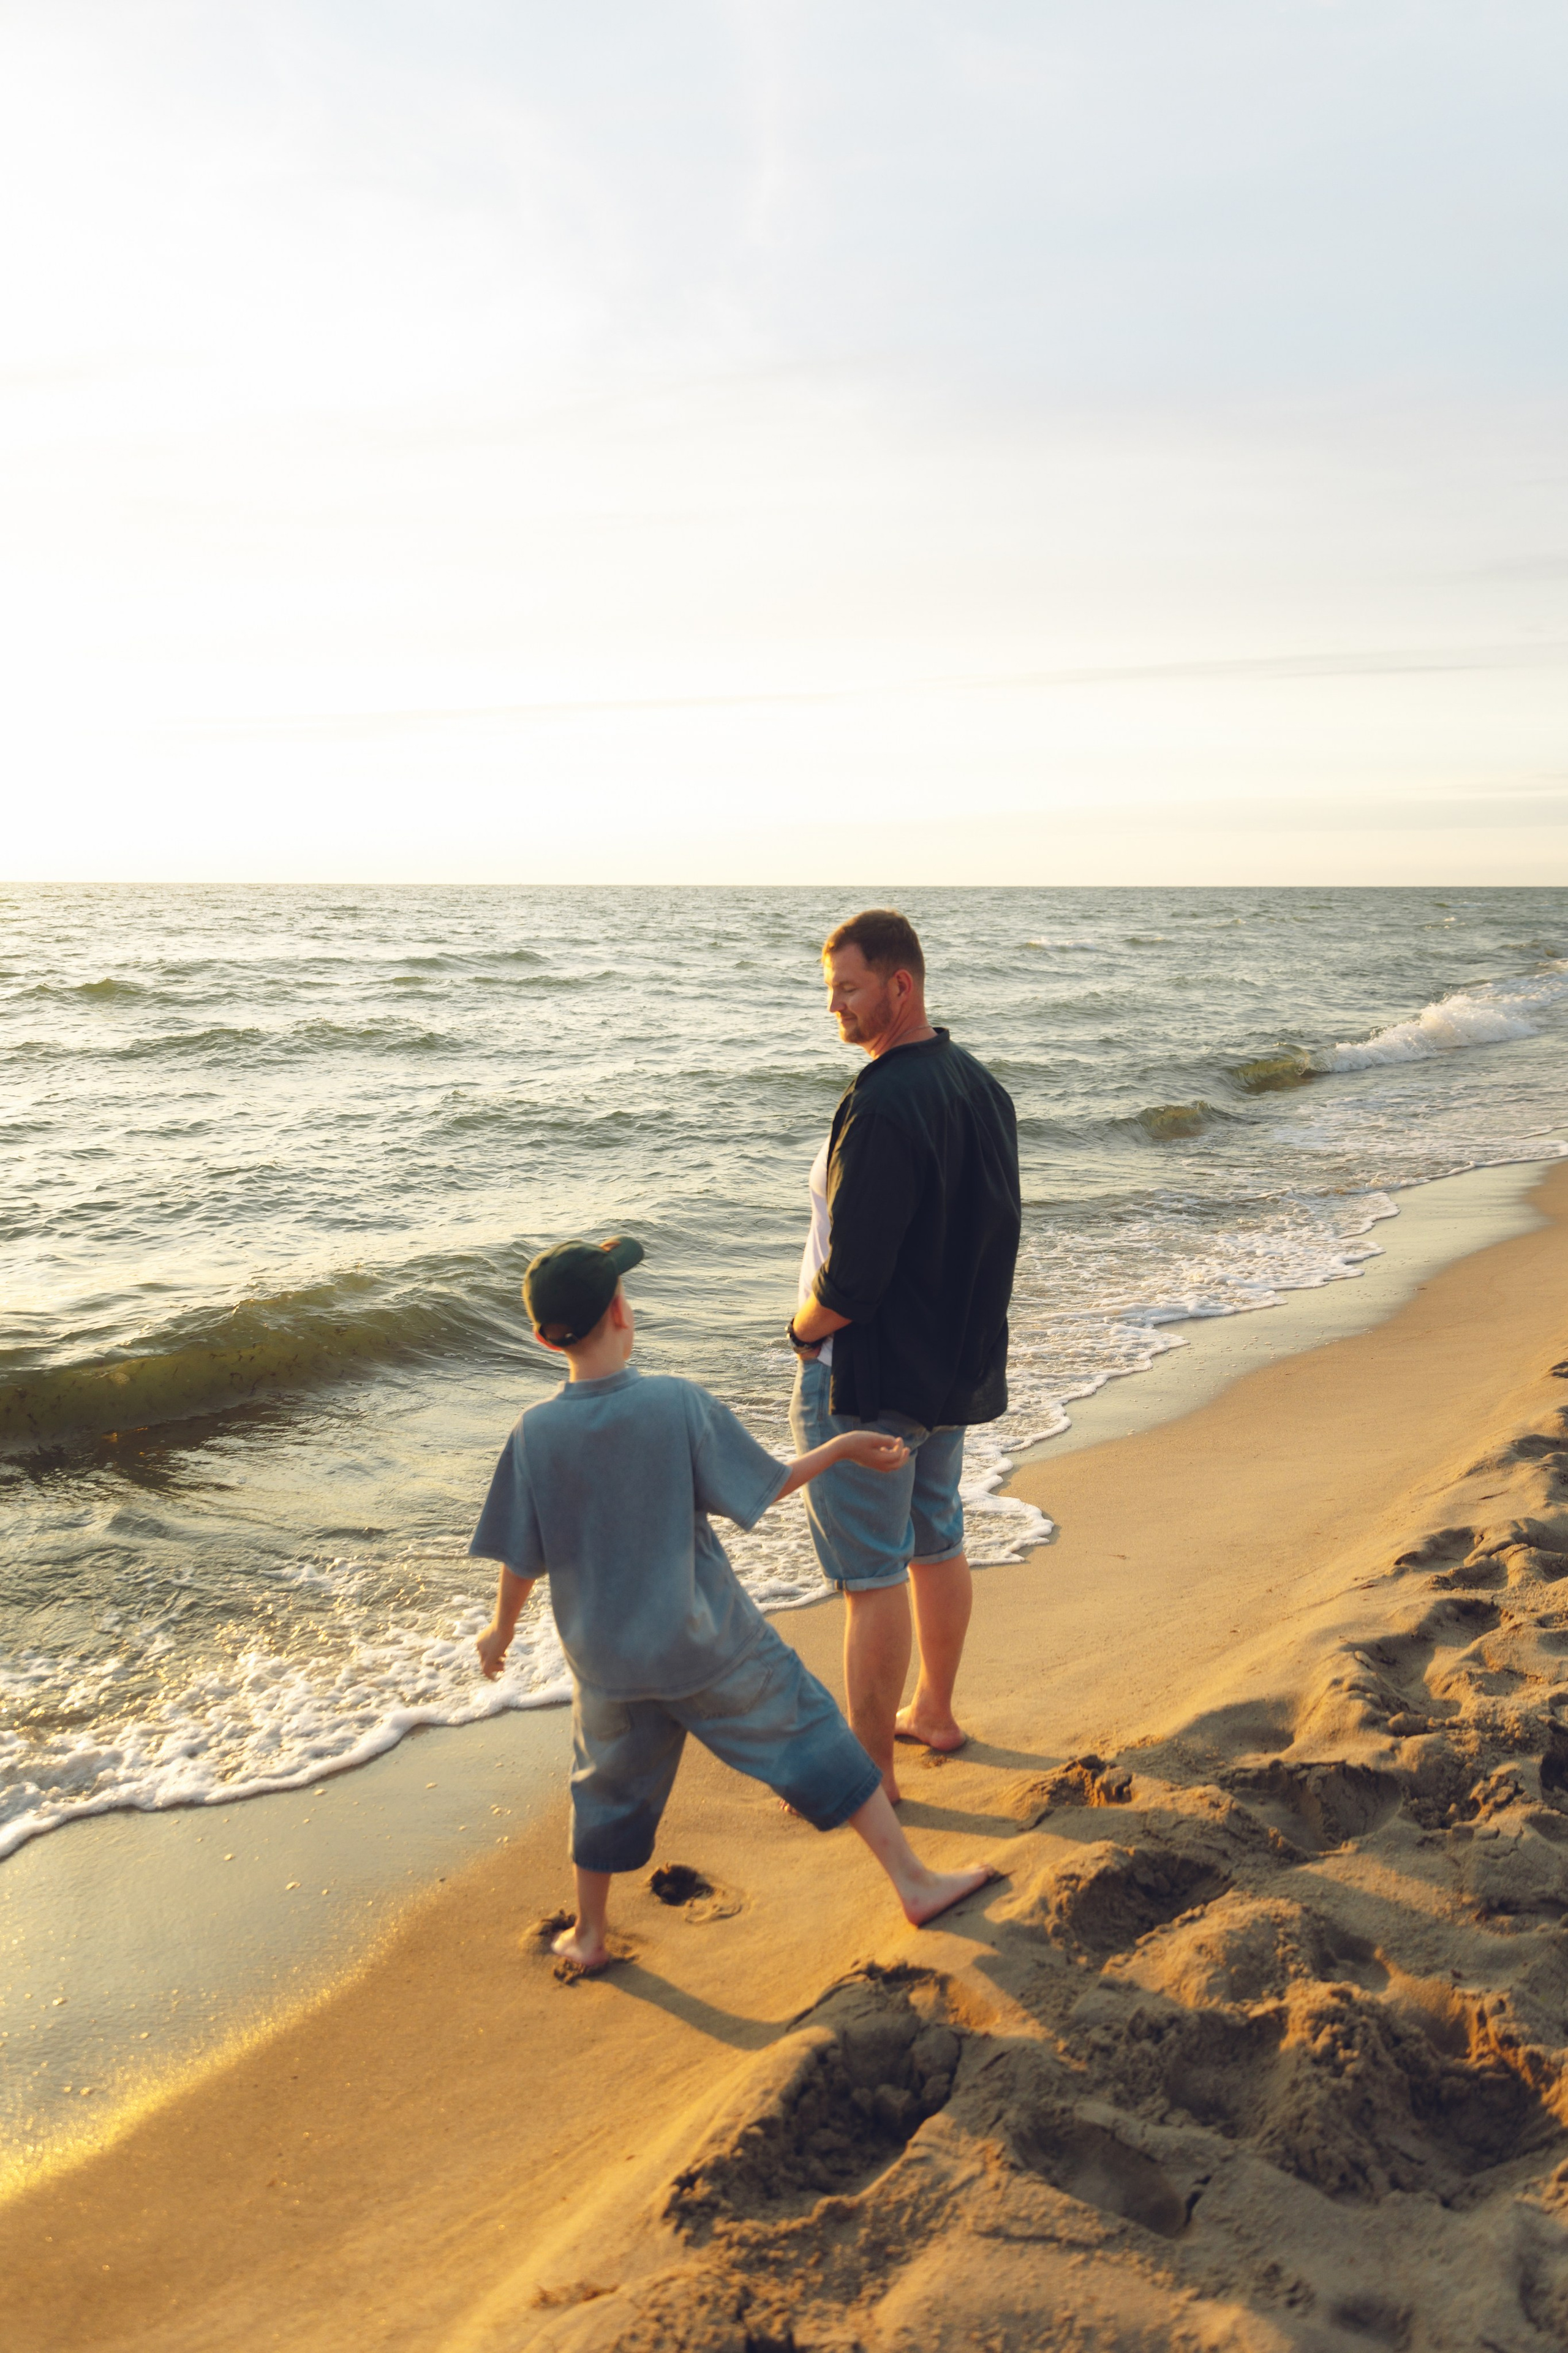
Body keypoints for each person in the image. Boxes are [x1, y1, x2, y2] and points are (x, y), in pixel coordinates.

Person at [470, 1233, 997, 1974]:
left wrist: (500, 1631)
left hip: (606, 1661)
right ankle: (913, 1882)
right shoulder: (673, 1402)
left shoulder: (534, 1433)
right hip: (706, 1638)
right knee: (812, 1730)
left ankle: (589, 1934)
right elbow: (767, 1486)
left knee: (604, 1788)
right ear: (622, 1310)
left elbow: (521, 1555)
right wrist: (844, 1448)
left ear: (541, 1336)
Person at [785, 908, 1021, 1803]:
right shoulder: (979, 1087)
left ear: (901, 985)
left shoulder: (883, 1102)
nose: (835, 1007)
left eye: (848, 988)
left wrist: (805, 1332)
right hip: (946, 1368)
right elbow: (995, 1232)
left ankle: (872, 1774)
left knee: (871, 1573)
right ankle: (935, 1712)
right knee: (936, 1538)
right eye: (830, 990)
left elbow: (855, 1277)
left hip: (872, 1373)